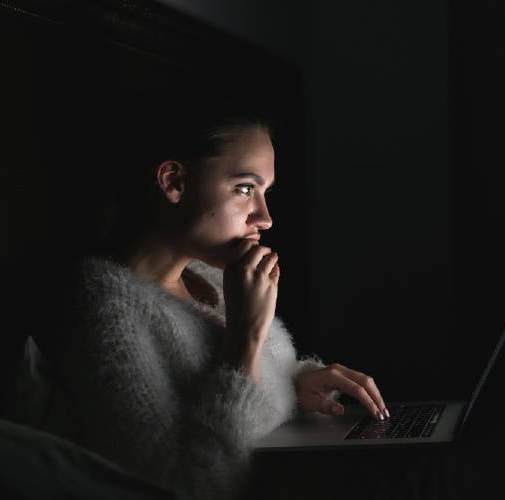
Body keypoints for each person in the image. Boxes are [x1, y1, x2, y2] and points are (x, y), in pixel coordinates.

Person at [21, 105, 388, 499]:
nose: (264, 218)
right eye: (245, 189)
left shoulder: (210, 279)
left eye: (266, 193)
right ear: (175, 182)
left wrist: (299, 382)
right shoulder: (100, 303)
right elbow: (180, 486)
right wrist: (245, 336)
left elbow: (243, 385)